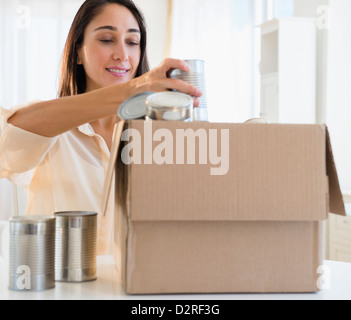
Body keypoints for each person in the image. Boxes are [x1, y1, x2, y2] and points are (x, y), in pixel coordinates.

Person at [0, 0, 202, 255]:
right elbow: (6, 143)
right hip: (63, 292)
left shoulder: (158, 138)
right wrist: (133, 89)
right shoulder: (52, 127)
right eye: (107, 39)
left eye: (132, 42)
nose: (122, 55)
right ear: (77, 52)